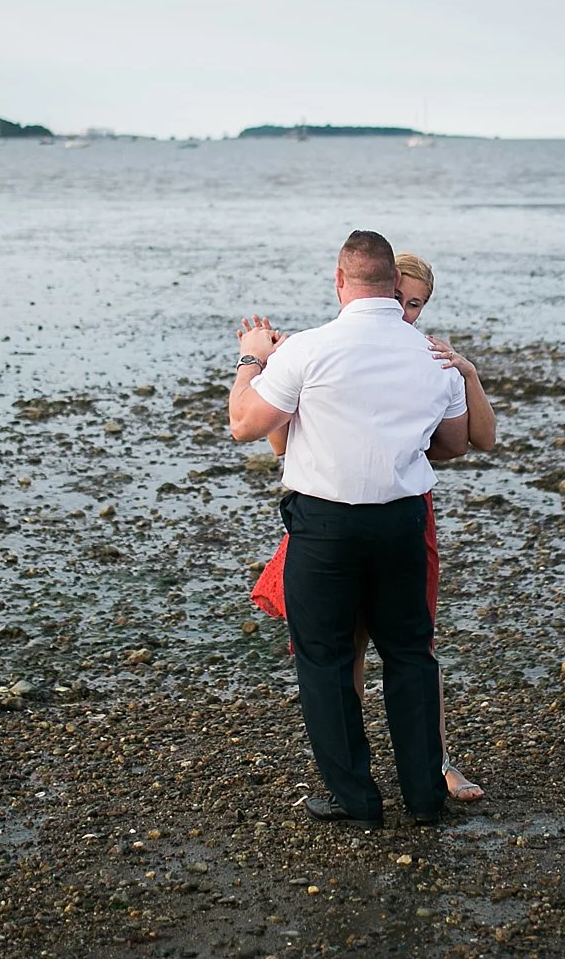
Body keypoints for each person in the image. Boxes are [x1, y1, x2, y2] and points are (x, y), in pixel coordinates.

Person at [230, 231, 469, 827]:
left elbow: (244, 425)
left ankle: (356, 800)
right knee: (411, 655)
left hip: (326, 526)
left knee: (327, 659)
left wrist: (253, 357)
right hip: (402, 523)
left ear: (340, 281)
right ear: (394, 286)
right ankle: (424, 796)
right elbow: (456, 445)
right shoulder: (431, 356)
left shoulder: (307, 350)